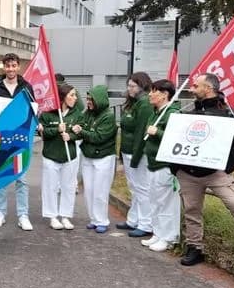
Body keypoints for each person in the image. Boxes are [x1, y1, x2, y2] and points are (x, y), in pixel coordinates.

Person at [175, 73, 234, 265]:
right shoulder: (187, 115)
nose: (191, 89)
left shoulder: (229, 114)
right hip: (188, 173)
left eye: (195, 85)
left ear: (208, 88)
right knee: (191, 210)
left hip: (216, 173)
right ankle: (194, 248)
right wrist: (175, 168)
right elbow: (174, 142)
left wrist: (226, 167)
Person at [0, 52, 36, 231]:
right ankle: (0, 212)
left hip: (20, 140)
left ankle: (23, 215)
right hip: (0, 141)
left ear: (18, 67)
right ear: (3, 67)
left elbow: (33, 111)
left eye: (14, 65)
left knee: (21, 178)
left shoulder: (26, 88)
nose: (11, 69)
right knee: (0, 176)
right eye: (7, 66)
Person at [139, 80, 181, 252]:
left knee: (166, 202)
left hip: (165, 165)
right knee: (155, 200)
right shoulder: (155, 113)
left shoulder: (173, 113)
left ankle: (169, 237)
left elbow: (175, 138)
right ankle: (158, 232)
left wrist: (159, 133)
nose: (150, 94)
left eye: (154, 91)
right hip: (152, 163)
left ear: (165, 94)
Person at [72, 84, 117, 233]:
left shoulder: (108, 116)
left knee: (100, 191)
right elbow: (80, 125)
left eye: (91, 99)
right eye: (88, 99)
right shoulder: (88, 113)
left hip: (103, 157)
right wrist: (80, 129)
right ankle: (94, 218)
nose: (89, 102)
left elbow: (99, 137)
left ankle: (102, 220)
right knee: (89, 190)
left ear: (99, 100)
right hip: (88, 156)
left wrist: (82, 131)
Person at [39, 84, 82, 230]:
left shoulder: (77, 114)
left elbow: (81, 131)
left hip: (69, 157)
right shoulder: (47, 113)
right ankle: (52, 216)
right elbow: (42, 133)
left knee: (68, 186)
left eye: (75, 95)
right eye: (72, 95)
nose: (75, 98)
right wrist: (56, 129)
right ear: (63, 97)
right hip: (51, 156)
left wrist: (71, 135)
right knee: (50, 187)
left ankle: (65, 216)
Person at [117, 72, 154, 237]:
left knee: (142, 188)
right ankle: (133, 219)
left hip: (136, 153)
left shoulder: (145, 104)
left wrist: (136, 156)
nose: (129, 89)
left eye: (132, 86)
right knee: (134, 188)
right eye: (129, 85)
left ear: (142, 86)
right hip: (128, 151)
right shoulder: (134, 103)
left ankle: (146, 224)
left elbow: (141, 134)